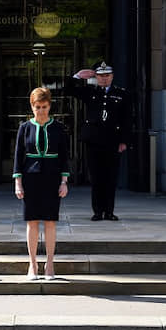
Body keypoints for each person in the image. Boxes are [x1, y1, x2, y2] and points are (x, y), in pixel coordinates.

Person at [13, 87, 70, 280]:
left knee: (50, 222)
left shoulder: (58, 127)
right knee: (32, 222)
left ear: (50, 106)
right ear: (32, 106)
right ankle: (33, 264)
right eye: (37, 107)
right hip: (31, 178)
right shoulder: (25, 127)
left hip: (52, 178)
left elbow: (64, 156)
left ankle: (50, 264)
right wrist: (18, 183)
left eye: (44, 107)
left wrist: (64, 181)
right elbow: (18, 157)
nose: (41, 111)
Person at [65, 61, 131, 221]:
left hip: (113, 141)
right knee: (96, 178)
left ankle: (109, 211)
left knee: (111, 177)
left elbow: (127, 120)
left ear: (112, 76)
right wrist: (77, 76)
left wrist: (124, 141)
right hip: (93, 141)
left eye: (107, 75)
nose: (104, 79)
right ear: (96, 77)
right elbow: (68, 90)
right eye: (101, 76)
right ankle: (97, 211)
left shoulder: (121, 94)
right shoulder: (90, 92)